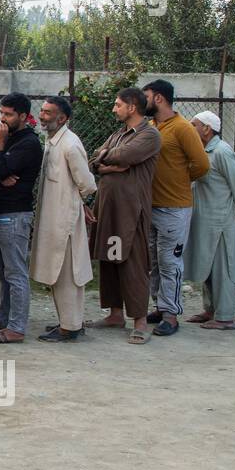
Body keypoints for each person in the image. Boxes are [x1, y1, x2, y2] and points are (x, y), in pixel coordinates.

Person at [86, 87, 163, 344]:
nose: (114, 109)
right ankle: (115, 314)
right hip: (109, 209)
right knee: (109, 259)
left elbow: (128, 155)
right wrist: (110, 163)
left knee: (133, 263)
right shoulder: (118, 134)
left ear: (132, 107)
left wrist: (110, 160)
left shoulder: (150, 134)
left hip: (132, 210)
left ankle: (140, 321)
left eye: (118, 105)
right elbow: (93, 161)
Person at [142, 79, 211, 336]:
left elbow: (202, 165)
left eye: (146, 96)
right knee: (155, 261)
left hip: (174, 207)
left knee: (170, 261)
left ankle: (171, 315)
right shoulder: (150, 126)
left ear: (158, 98)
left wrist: (180, 181)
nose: (142, 101)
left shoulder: (182, 128)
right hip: (151, 206)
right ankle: (160, 307)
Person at [0, 92, 43, 344]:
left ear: (23, 116)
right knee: (2, 271)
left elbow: (0, 167)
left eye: (8, 114)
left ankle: (16, 327)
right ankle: (3, 317)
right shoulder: (3, 137)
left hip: (13, 215)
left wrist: (0, 154)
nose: (2, 119)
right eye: (1, 113)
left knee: (15, 272)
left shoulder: (28, 143)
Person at [31, 96, 97, 342]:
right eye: (42, 111)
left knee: (68, 273)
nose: (42, 116)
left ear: (63, 118)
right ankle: (67, 322)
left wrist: (82, 205)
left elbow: (88, 184)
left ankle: (70, 327)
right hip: (54, 219)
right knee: (57, 274)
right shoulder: (52, 141)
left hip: (65, 221)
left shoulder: (70, 144)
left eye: (48, 113)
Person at [182, 111, 235, 330]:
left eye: (194, 125)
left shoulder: (222, 151)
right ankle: (210, 310)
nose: (190, 128)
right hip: (203, 220)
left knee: (223, 267)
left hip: (221, 220)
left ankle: (225, 316)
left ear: (207, 128)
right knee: (207, 265)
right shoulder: (202, 151)